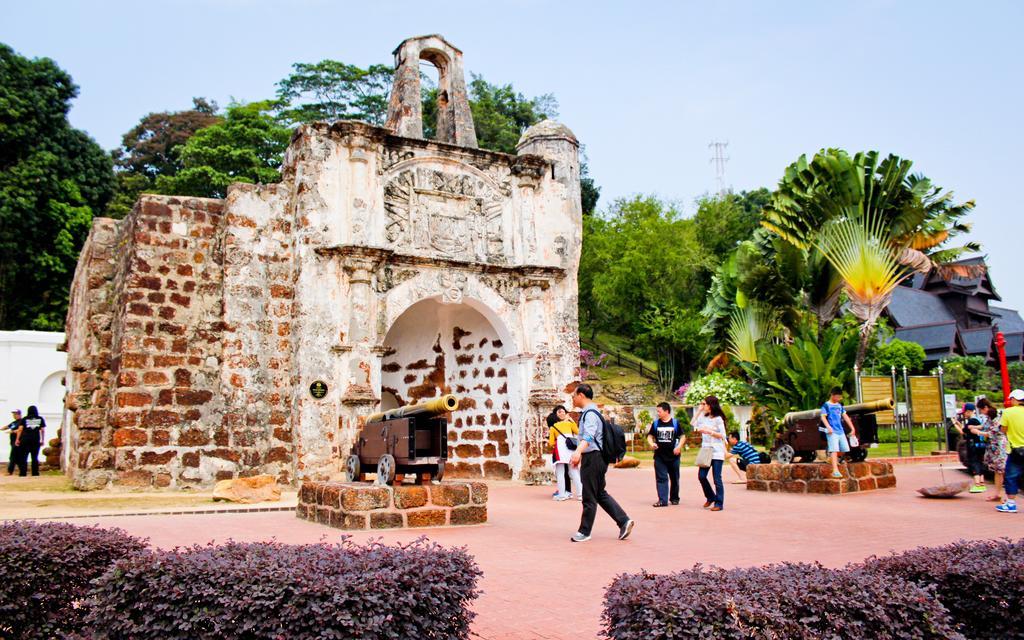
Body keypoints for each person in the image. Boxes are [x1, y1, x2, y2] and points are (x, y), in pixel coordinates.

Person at [569, 383, 634, 542]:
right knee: (599, 493)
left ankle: (585, 531)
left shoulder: (589, 414)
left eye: (574, 395)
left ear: (582, 395)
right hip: (596, 457)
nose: (572, 398)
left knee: (589, 495)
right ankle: (624, 521)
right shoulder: (592, 412)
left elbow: (589, 436)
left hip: (594, 457)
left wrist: (578, 452)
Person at [692, 395, 728, 511]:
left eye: (705, 404)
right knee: (701, 476)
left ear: (710, 405)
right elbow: (693, 423)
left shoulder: (718, 419)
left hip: (717, 451)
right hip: (706, 450)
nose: (703, 406)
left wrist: (709, 431)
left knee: (717, 478)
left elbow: (723, 435)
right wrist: (698, 411)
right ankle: (710, 496)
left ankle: (719, 503)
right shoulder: (703, 417)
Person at [647, 402, 682, 507]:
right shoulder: (656, 423)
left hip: (674, 456)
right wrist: (651, 443)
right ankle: (662, 500)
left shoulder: (675, 423)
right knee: (661, 478)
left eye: (659, 411)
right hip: (659, 456)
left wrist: (679, 447)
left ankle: (674, 498)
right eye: (657, 411)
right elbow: (649, 436)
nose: (658, 413)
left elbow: (683, 436)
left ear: (666, 411)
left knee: (674, 478)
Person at [996, 389, 1024, 513]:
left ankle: (1011, 503)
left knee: (1011, 476)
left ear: (1013, 399)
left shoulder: (1008, 412)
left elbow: (1003, 429)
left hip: (1015, 450)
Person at [820, 387, 857, 479]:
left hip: (840, 431)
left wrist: (852, 428)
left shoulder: (839, 406)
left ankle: (830, 458)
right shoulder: (826, 405)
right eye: (837, 397)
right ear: (832, 395)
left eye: (840, 397)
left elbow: (846, 417)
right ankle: (835, 470)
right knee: (834, 449)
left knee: (845, 449)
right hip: (832, 432)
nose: (839, 399)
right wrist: (828, 426)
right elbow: (823, 417)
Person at [547, 406, 581, 501]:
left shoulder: (553, 427)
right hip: (570, 450)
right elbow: (578, 432)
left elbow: (551, 443)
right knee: (574, 472)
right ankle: (580, 494)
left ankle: (562, 495)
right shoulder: (569, 424)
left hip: (560, 451)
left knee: (560, 473)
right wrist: (572, 422)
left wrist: (556, 442)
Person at [980, 402, 1008, 503]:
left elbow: (992, 432)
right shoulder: (990, 418)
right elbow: (984, 426)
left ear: (985, 407)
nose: (981, 412)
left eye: (981, 410)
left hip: (999, 446)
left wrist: (978, 432)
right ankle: (998, 494)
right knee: (997, 471)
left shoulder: (997, 417)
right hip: (993, 447)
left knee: (1002, 470)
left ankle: (1007, 496)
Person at [958, 403, 987, 493]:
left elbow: (963, 432)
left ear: (968, 412)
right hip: (981, 445)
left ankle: (977, 484)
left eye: (964, 413)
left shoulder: (972, 421)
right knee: (980, 462)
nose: (964, 415)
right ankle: (982, 483)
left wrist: (956, 424)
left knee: (974, 463)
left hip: (973, 445)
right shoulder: (979, 420)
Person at [14, 405, 45, 477]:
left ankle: (23, 473)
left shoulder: (25, 419)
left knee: (24, 457)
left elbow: (20, 429)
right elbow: (42, 430)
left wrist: (17, 439)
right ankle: (35, 473)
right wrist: (42, 439)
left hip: (25, 440)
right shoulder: (40, 419)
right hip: (35, 440)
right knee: (34, 457)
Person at [1, 409, 21, 475]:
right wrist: (1, 428)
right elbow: (7, 427)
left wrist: (12, 431)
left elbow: (21, 430)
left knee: (12, 456)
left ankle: (10, 471)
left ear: (19, 414)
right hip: (12, 442)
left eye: (15, 414)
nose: (14, 416)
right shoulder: (14, 422)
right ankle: (23, 469)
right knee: (17, 457)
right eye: (13, 414)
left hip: (17, 441)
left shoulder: (21, 422)